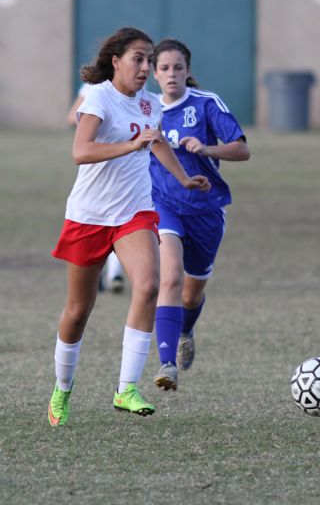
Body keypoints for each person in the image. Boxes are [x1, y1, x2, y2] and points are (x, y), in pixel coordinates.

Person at [48, 27, 210, 426]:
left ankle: (126, 389)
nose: (144, 67)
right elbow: (80, 151)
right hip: (88, 215)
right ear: (116, 61)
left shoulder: (150, 104)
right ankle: (62, 388)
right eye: (137, 58)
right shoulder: (99, 97)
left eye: (148, 60)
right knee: (77, 310)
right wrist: (129, 145)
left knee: (150, 285)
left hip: (134, 213)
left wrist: (183, 179)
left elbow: (157, 144)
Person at [150, 39, 250, 391]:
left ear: (188, 71)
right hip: (164, 206)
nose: (172, 74)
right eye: (164, 68)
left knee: (191, 295)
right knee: (170, 278)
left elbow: (242, 149)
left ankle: (187, 330)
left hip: (207, 211)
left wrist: (207, 148)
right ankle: (166, 364)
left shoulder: (207, 104)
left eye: (178, 67)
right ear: (153, 73)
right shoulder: (146, 109)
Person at [67, 84, 125, 293]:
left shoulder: (139, 88)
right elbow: (72, 118)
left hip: (129, 175)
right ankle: (100, 270)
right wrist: (96, 119)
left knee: (125, 218)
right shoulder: (93, 89)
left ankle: (115, 273)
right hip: (98, 170)